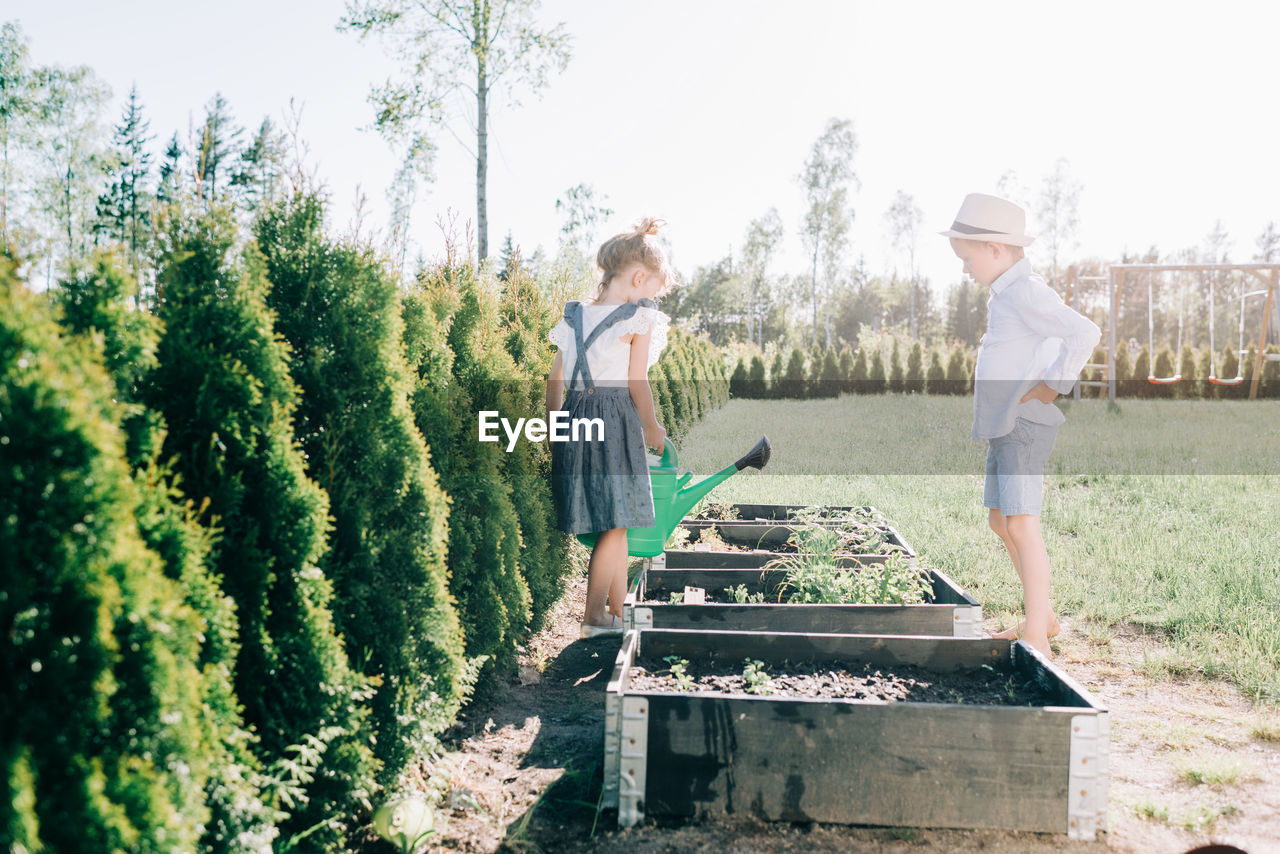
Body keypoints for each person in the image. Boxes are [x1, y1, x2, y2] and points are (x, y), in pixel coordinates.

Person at [940, 193, 1101, 657]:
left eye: (967, 259)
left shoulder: (1027, 292)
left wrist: (1052, 387)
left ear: (996, 249)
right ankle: (1042, 615)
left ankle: (1037, 635)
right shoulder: (1006, 294)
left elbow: (1084, 331)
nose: (964, 269)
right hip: (1004, 426)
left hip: (1024, 424)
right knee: (1000, 521)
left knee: (1022, 524)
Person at [546, 217, 675, 638]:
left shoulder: (575, 316)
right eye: (653, 289)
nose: (651, 299)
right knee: (616, 522)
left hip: (575, 416)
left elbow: (554, 379)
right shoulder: (637, 320)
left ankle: (618, 609)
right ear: (639, 277)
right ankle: (594, 616)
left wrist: (553, 426)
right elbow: (637, 382)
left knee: (615, 521)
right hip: (615, 419)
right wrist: (652, 427)